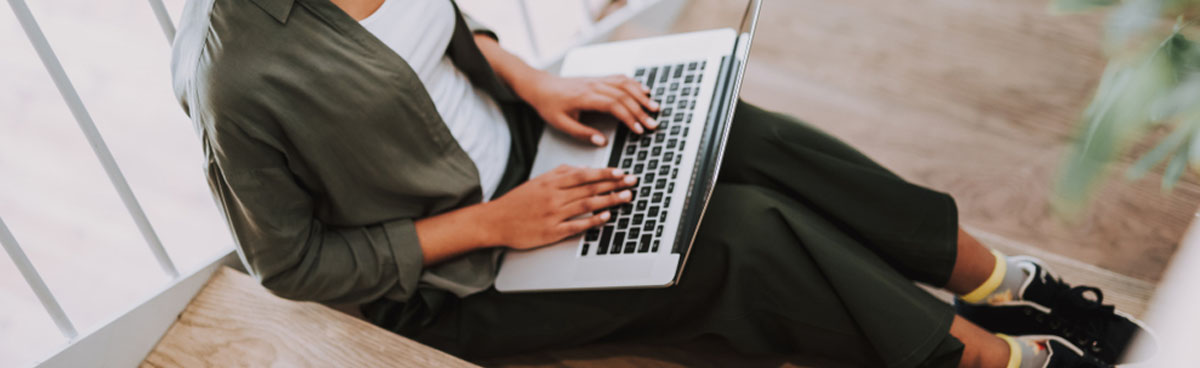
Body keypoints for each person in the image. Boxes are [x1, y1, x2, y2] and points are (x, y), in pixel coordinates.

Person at [170, 0, 1150, 366]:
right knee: (745, 234)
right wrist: (489, 224)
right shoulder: (235, 72)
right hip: (459, 276)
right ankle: (992, 361)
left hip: (529, 157)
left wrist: (531, 76)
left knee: (749, 136)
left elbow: (442, 41)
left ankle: (999, 280)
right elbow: (291, 265)